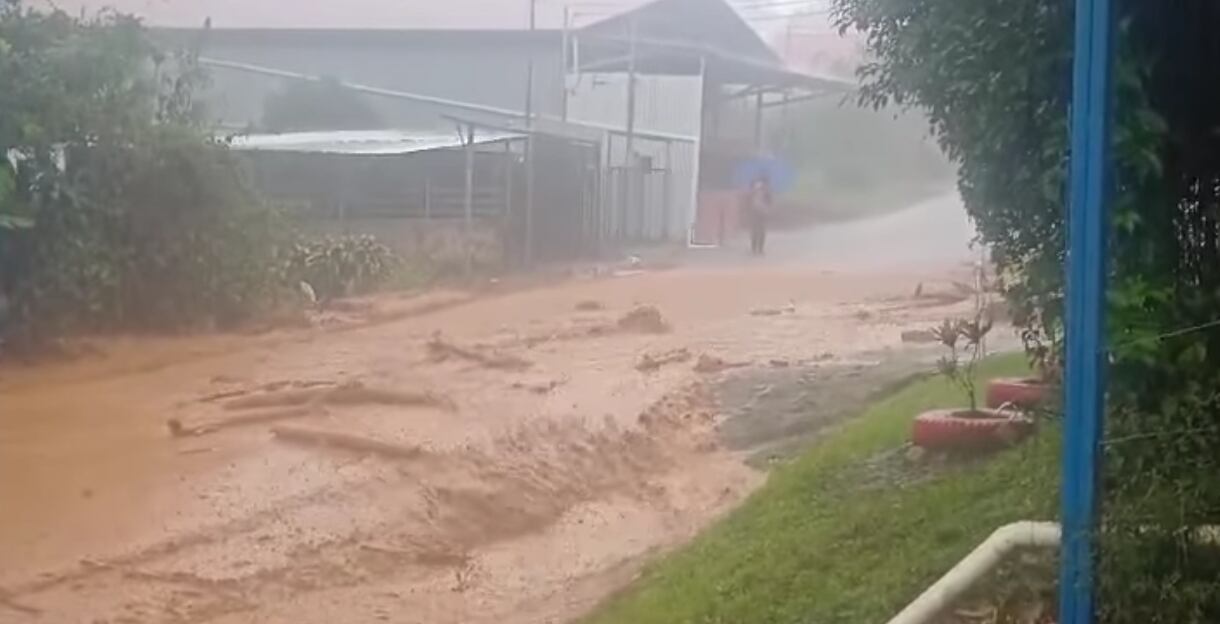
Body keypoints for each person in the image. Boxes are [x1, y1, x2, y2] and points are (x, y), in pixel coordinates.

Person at [744, 174, 772, 255]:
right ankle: (755, 249)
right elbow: (747, 201)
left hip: (762, 213)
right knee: (755, 231)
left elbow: (769, 201)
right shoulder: (752, 191)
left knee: (761, 231)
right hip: (754, 213)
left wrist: (768, 210)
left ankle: (759, 249)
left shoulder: (766, 191)